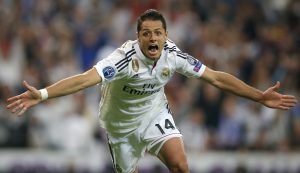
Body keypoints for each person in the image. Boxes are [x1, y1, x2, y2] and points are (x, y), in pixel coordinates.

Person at [6, 9, 297, 173]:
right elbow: (84, 79)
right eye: (146, 33)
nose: (153, 37)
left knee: (181, 165)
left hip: (154, 115)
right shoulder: (122, 59)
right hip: (120, 126)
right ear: (138, 37)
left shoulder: (173, 55)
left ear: (166, 35)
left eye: (158, 32)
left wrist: (258, 96)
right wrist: (41, 95)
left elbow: (217, 78)